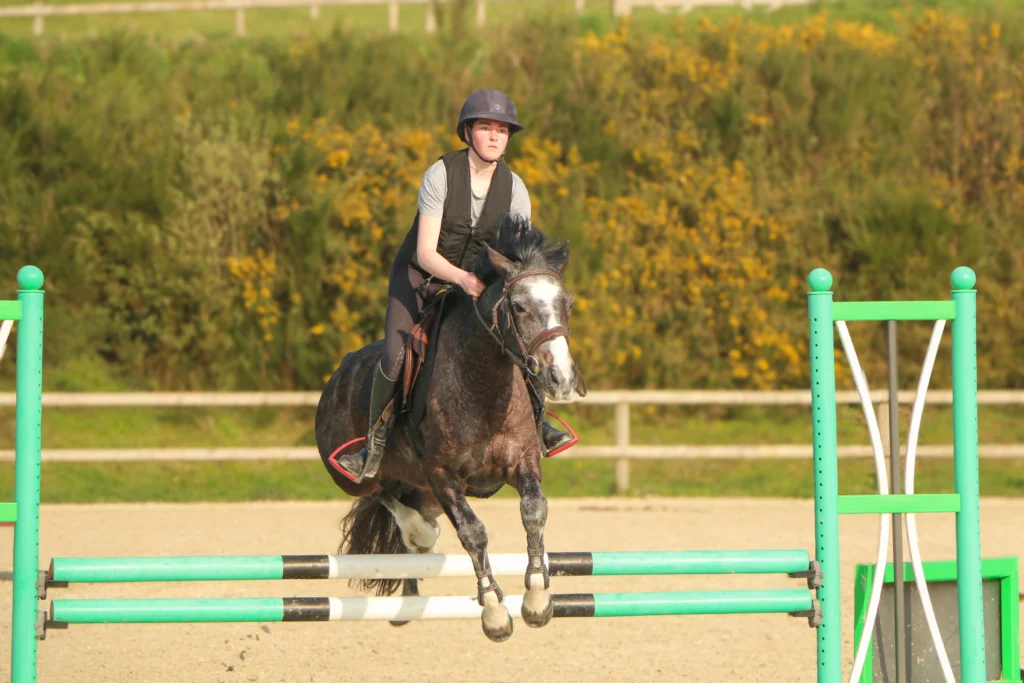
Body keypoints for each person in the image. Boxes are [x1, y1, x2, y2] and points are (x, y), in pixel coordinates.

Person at [334, 88, 573, 483]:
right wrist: (462, 278)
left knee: (522, 337)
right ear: (467, 132)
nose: (494, 136)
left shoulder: (515, 189)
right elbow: (426, 252)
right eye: (485, 127)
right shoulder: (441, 175)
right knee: (395, 357)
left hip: (476, 285)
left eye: (502, 130)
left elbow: (517, 258)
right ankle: (372, 446)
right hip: (420, 278)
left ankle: (539, 426)